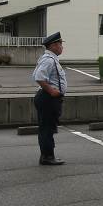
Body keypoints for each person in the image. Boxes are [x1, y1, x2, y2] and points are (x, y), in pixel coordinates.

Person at [33, 32, 67, 165]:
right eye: (60, 44)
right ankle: (47, 157)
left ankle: (47, 155)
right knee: (47, 128)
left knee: (47, 128)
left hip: (48, 98)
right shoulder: (49, 60)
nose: (62, 47)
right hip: (48, 98)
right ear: (53, 45)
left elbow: (36, 74)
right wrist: (52, 91)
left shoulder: (49, 59)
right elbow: (39, 77)